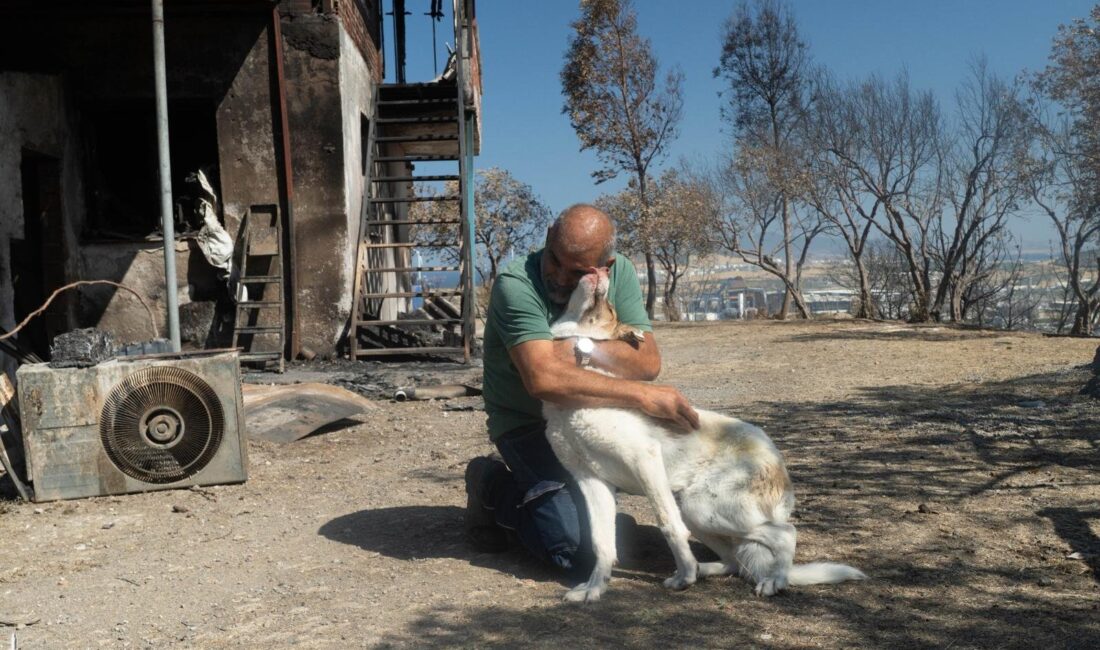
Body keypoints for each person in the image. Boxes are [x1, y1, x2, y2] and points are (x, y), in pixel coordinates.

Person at [465, 203, 699, 575]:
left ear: (602, 268)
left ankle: (565, 504)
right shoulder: (516, 283)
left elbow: (647, 361)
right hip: (527, 424)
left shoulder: (618, 274)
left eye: (576, 272)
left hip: (590, 415)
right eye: (555, 259)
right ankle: (491, 485)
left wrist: (578, 349)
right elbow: (543, 380)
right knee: (574, 550)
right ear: (547, 240)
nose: (558, 276)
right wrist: (640, 395)